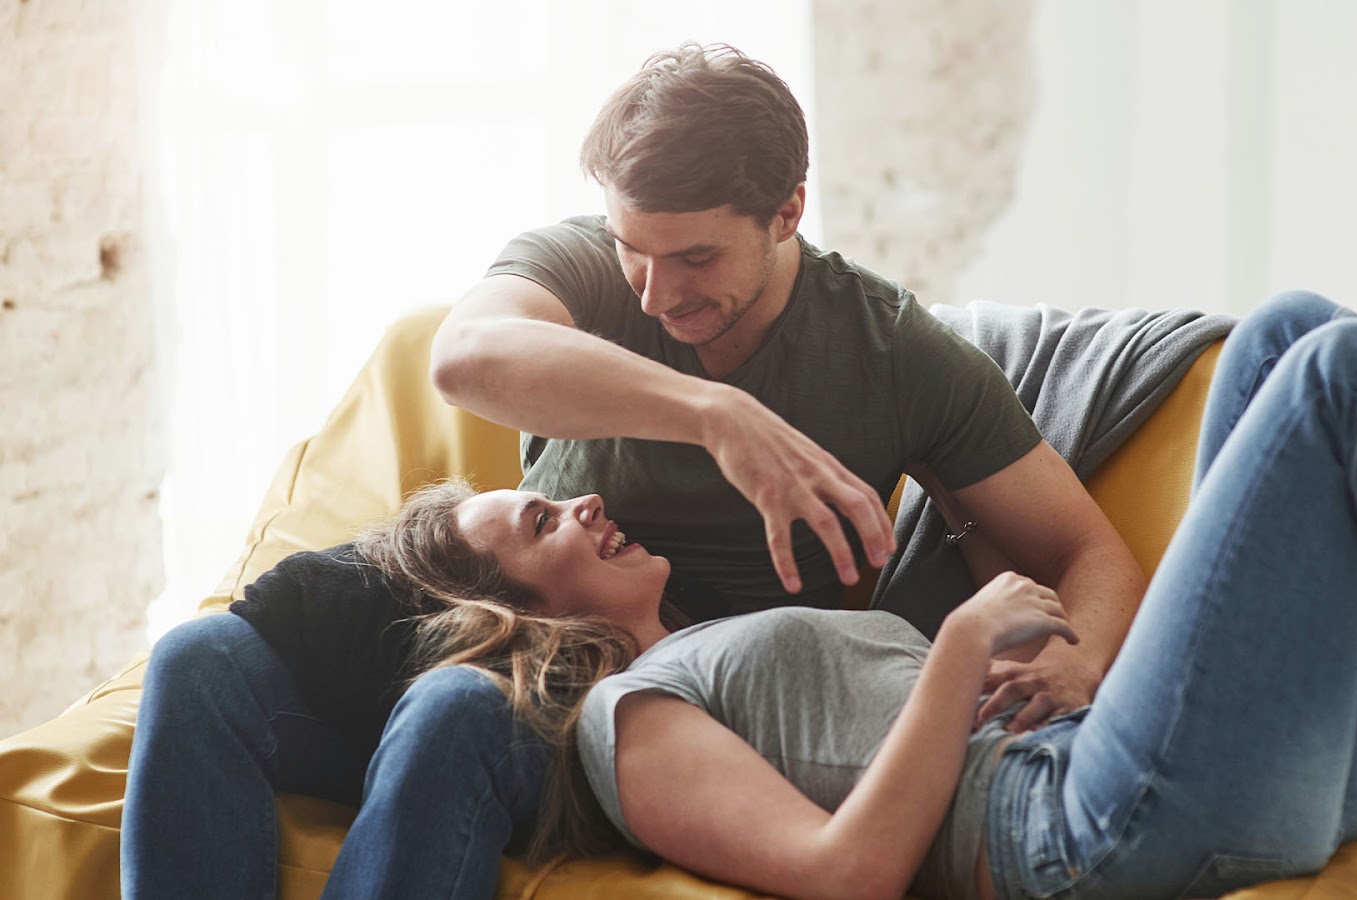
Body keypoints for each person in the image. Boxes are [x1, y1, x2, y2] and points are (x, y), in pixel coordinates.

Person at [410, 294, 1357, 899]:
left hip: (1141, 768)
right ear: (517, 611)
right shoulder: (629, 726)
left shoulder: (710, 639)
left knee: (1286, 335)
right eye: (535, 523)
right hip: (1083, 831)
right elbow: (843, 873)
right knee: (1329, 379)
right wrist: (958, 648)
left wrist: (1046, 639)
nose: (573, 503)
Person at [428, 42, 1146, 724]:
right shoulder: (582, 266)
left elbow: (1088, 553)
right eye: (632, 250)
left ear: (787, 213)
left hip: (716, 713)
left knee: (455, 715)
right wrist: (717, 415)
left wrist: (1072, 670)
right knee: (353, 625)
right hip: (513, 653)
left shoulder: (890, 353)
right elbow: (462, 358)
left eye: (696, 259)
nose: (654, 296)